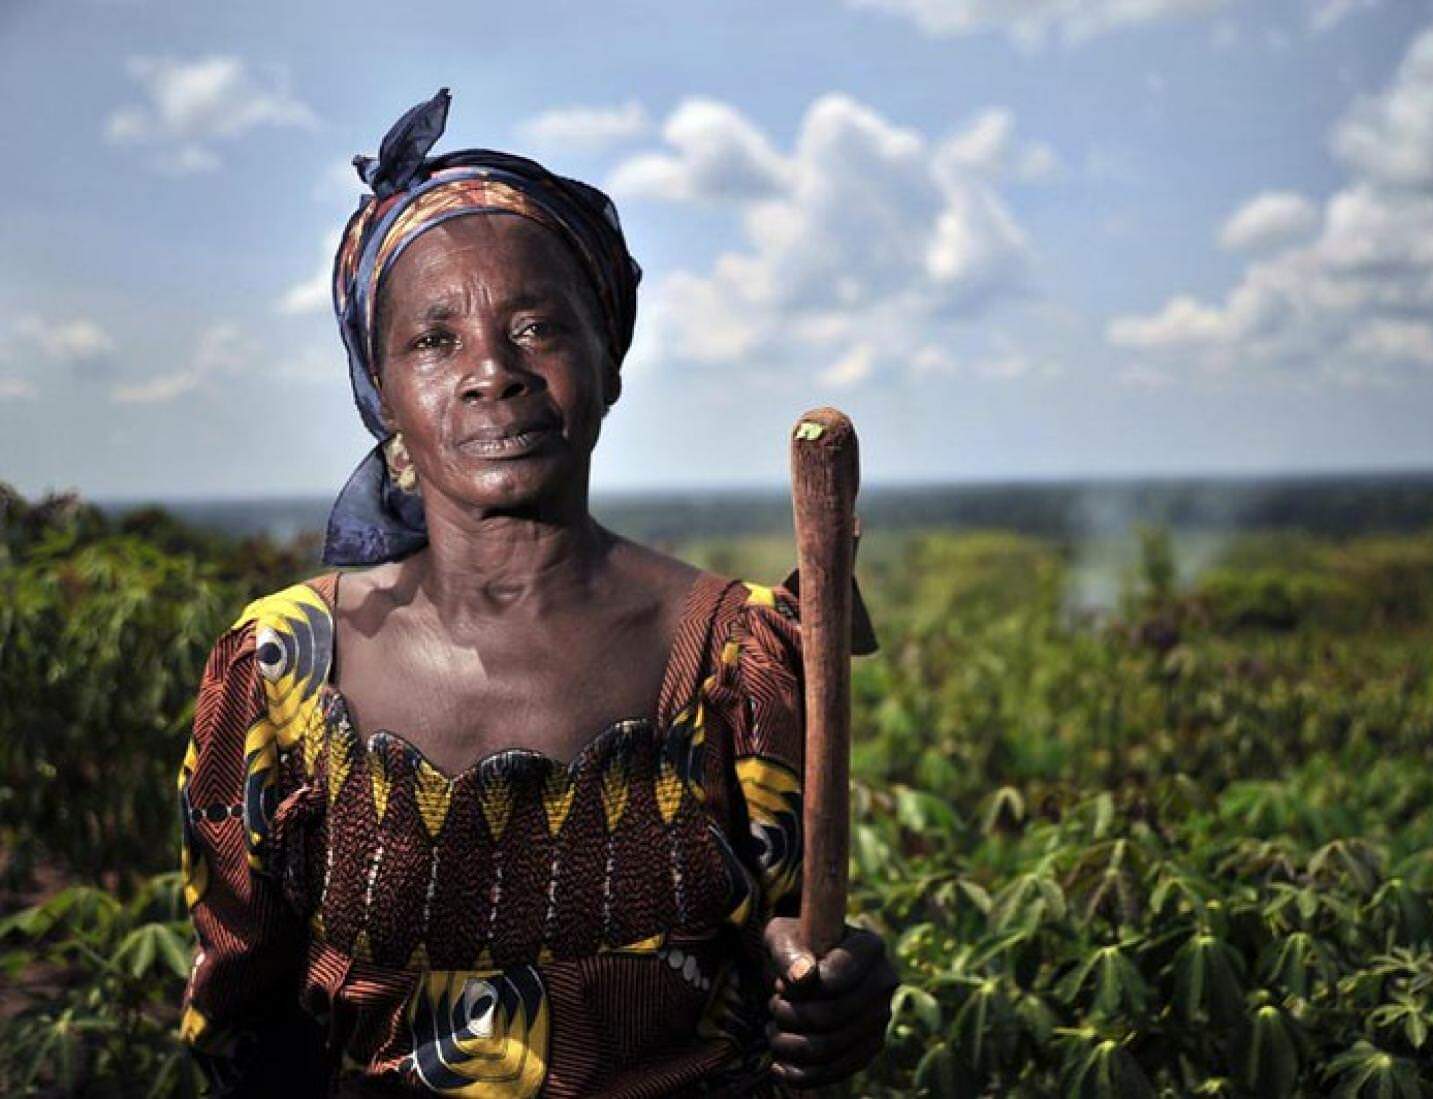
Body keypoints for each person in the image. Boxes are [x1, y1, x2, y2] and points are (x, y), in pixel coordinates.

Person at [176, 88, 898, 1097]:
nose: (491, 373)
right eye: (434, 340)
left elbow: (791, 943)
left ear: (608, 363)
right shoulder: (286, 663)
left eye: (538, 327)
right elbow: (241, 1021)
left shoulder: (737, 656)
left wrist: (837, 992)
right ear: (380, 392)